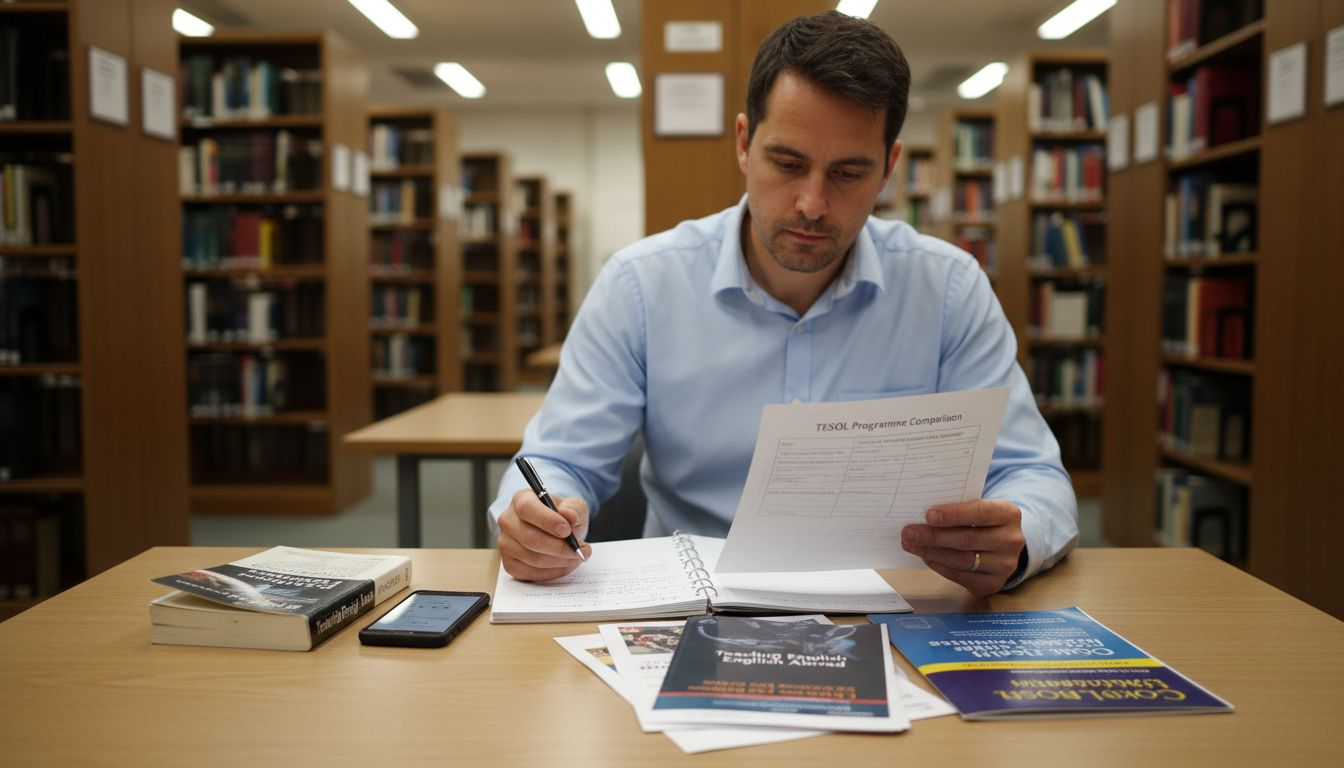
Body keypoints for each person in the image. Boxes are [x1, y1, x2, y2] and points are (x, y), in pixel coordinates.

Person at [489, 11, 1077, 596]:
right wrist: (530, 519)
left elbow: (1032, 473)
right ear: (745, 144)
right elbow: (555, 460)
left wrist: (1019, 536)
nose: (813, 204)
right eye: (788, 164)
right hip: (691, 605)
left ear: (889, 168)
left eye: (848, 172)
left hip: (896, 603)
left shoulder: (947, 289)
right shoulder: (642, 285)